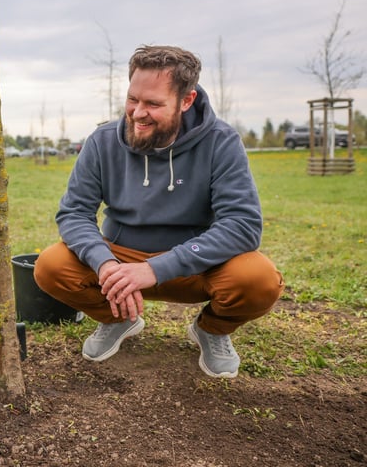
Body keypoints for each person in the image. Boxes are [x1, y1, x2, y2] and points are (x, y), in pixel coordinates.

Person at [34, 45, 283, 380]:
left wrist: (156, 268)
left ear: (186, 100)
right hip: (121, 263)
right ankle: (118, 318)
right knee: (50, 266)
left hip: (197, 266)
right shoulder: (102, 141)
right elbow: (74, 213)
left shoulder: (221, 142)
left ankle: (211, 330)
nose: (138, 113)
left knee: (258, 280)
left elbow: (242, 226)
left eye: (153, 103)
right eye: (133, 99)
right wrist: (105, 262)